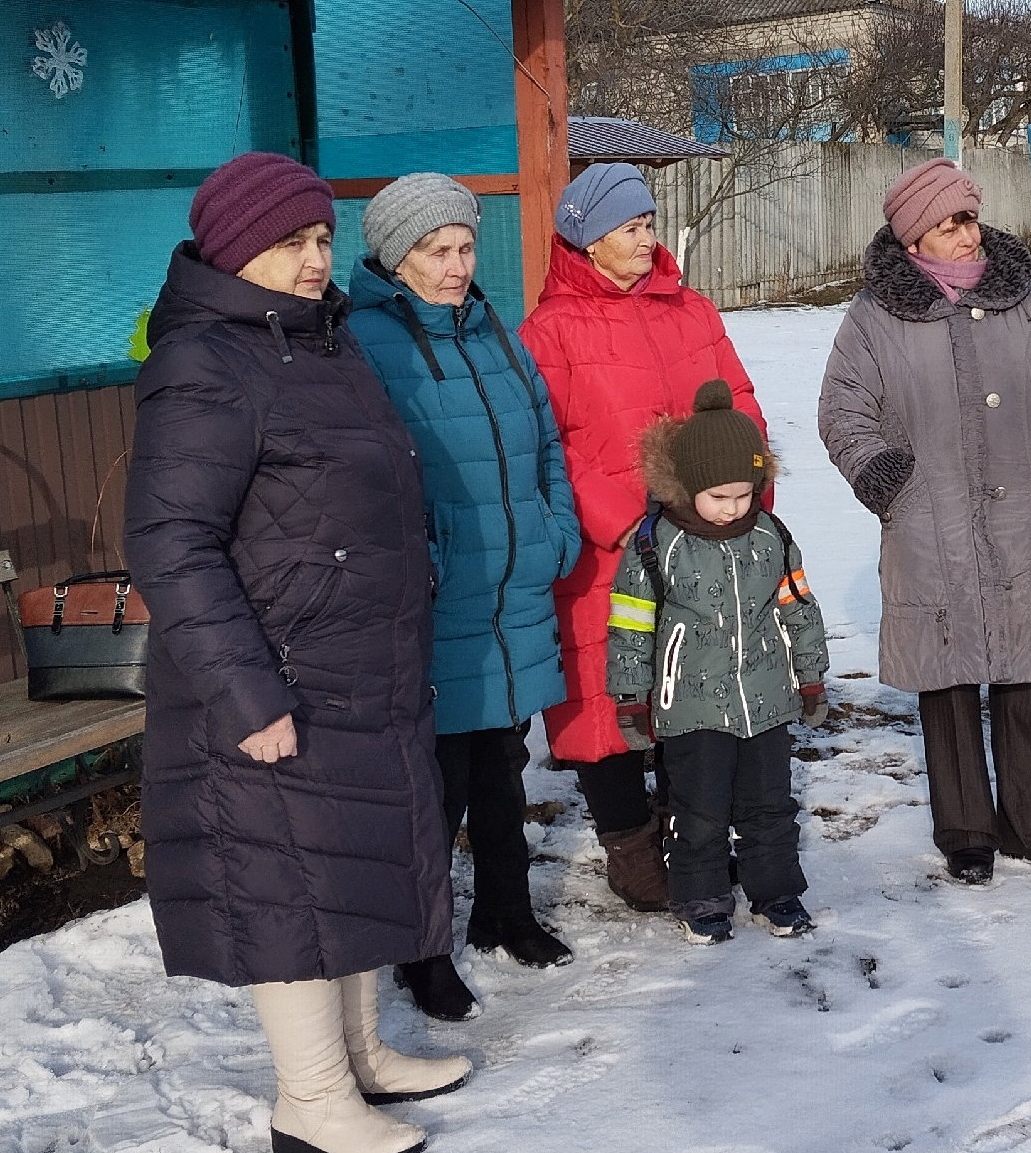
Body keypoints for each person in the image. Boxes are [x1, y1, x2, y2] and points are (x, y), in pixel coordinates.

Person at [126, 151, 470, 1153]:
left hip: (356, 659)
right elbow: (169, 541)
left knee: (350, 859)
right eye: (293, 242)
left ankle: (360, 1052)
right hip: (273, 672)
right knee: (287, 883)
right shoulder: (203, 363)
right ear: (238, 250)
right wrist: (244, 690)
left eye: (323, 238)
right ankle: (312, 1099)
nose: (318, 258)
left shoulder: (310, 343)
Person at [817, 157, 1031, 884]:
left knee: (1024, 672)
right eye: (951, 223)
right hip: (929, 520)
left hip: (1025, 515)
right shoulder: (874, 317)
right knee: (946, 680)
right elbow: (842, 409)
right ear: (915, 237)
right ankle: (966, 828)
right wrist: (887, 479)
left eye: (970, 216)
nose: (970, 233)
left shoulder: (1028, 301)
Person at [345, 173, 582, 1025]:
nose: (455, 265)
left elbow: (545, 439)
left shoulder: (496, 333)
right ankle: (421, 951)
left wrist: (557, 530)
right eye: (435, 251)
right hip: (440, 598)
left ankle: (507, 912)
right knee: (435, 788)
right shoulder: (366, 344)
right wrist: (427, 558)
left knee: (502, 770)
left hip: (512, 585)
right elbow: (368, 474)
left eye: (464, 247)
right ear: (394, 256)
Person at [519, 162, 768, 913]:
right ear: (588, 240)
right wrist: (621, 519)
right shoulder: (551, 330)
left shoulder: (690, 311)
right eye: (630, 226)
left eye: (649, 222)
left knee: (694, 691)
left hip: (704, 537)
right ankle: (630, 848)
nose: (646, 236)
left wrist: (745, 490)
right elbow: (547, 445)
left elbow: (739, 406)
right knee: (610, 701)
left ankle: (695, 834)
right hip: (610, 550)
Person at [607, 381, 828, 944]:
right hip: (691, 705)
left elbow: (798, 607)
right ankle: (701, 897)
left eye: (743, 494)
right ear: (686, 487)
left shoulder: (770, 537)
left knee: (769, 805)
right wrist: (631, 697)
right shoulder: (658, 545)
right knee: (697, 809)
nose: (732, 509)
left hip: (766, 700)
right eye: (718, 497)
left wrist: (810, 677)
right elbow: (631, 624)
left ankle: (776, 892)